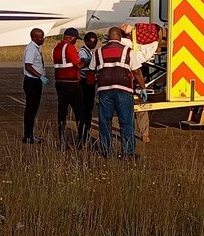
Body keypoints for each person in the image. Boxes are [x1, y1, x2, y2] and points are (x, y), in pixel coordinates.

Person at [95, 27, 144, 159]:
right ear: (120, 37)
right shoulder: (128, 51)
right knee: (126, 122)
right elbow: (137, 71)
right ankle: (128, 153)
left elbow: (92, 70)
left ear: (108, 36)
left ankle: (106, 152)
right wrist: (143, 87)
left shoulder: (98, 52)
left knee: (105, 122)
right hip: (123, 90)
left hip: (104, 91)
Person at [52, 27, 85, 145]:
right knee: (79, 111)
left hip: (59, 83)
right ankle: (81, 139)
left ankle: (62, 139)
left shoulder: (56, 48)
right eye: (75, 39)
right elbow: (78, 66)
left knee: (62, 111)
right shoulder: (69, 47)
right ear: (71, 38)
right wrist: (87, 61)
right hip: (72, 84)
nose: (76, 41)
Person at [21, 28, 47, 143]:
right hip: (32, 82)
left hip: (35, 81)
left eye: (43, 36)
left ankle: (30, 135)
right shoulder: (32, 49)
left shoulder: (36, 48)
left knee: (33, 109)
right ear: (34, 38)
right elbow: (28, 66)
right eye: (40, 37)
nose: (43, 39)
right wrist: (40, 76)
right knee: (31, 109)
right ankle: (28, 136)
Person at [77, 31, 99, 145]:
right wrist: (92, 60)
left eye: (95, 41)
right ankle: (83, 135)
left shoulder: (90, 51)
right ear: (85, 41)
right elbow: (80, 65)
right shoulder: (82, 52)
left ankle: (86, 133)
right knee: (85, 109)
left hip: (89, 82)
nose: (93, 43)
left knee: (88, 109)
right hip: (84, 83)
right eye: (91, 41)